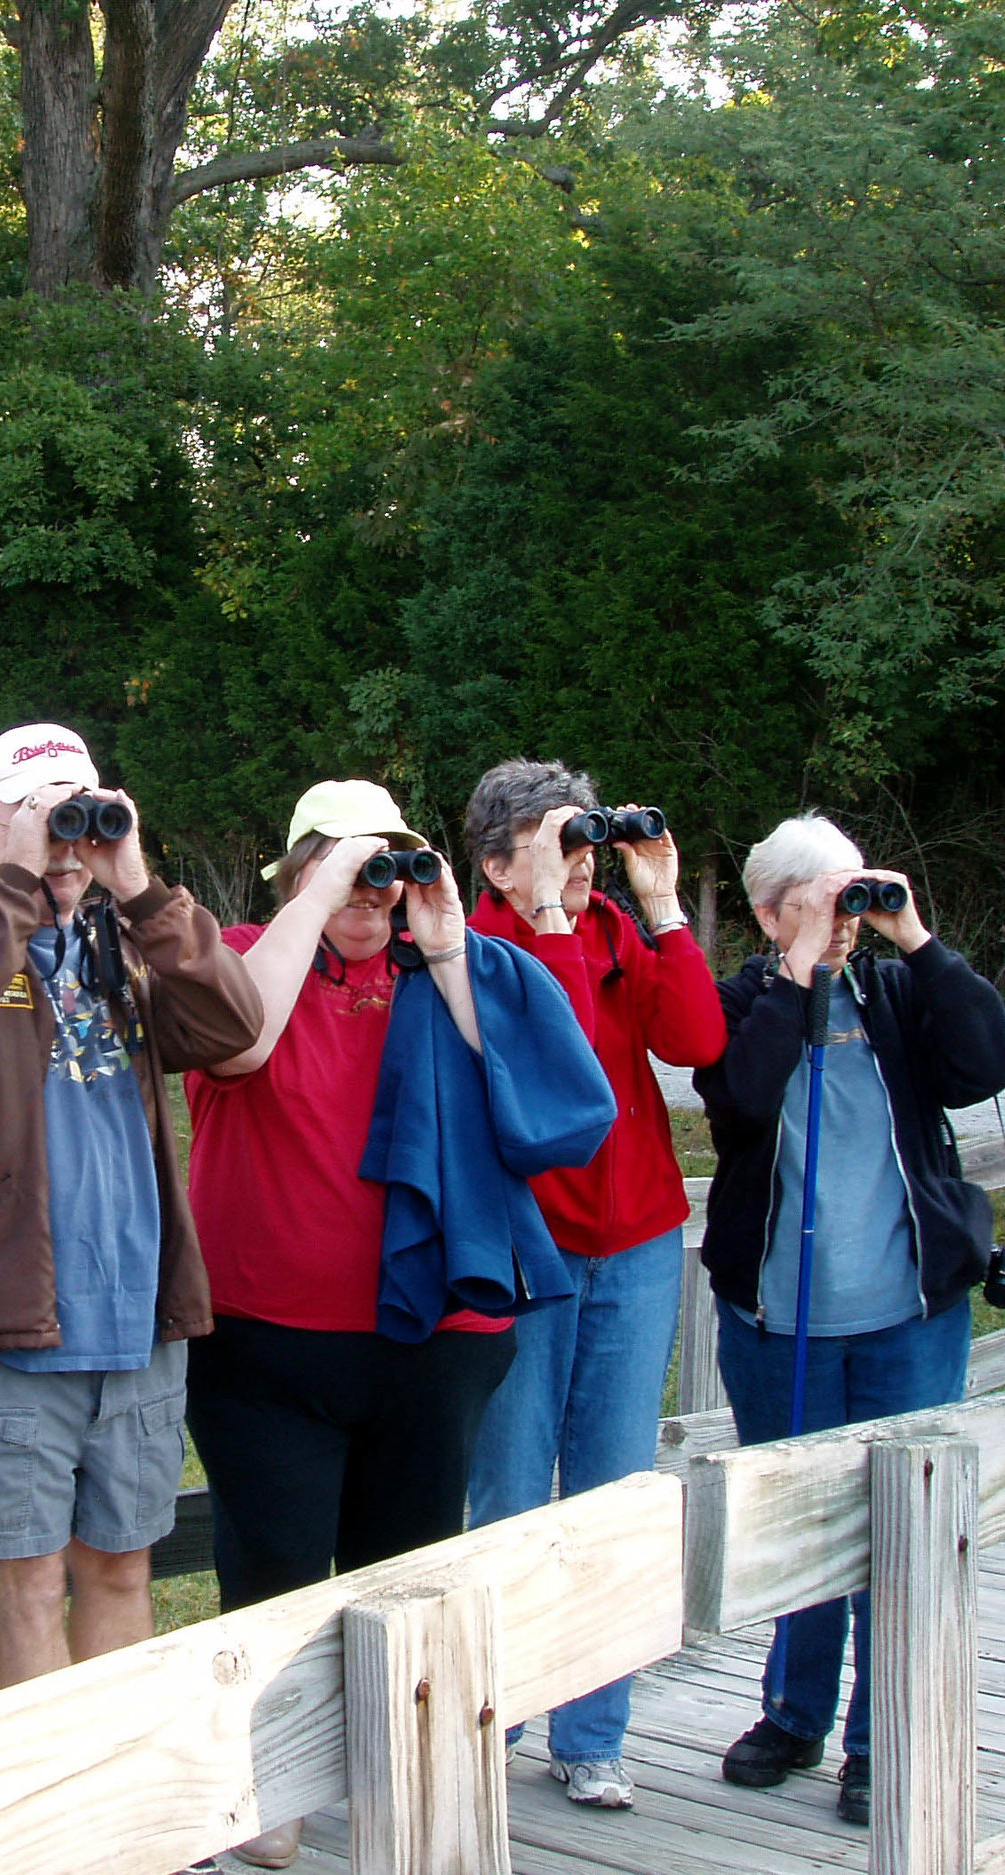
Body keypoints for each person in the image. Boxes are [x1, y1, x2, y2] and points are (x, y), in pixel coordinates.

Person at [184, 779, 611, 1871]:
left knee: (402, 1576)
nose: (371, 890)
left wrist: (448, 943)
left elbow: (543, 1097)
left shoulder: (464, 974)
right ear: (292, 873)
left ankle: (385, 1772)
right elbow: (235, 1041)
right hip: (265, 1336)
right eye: (341, 866)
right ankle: (270, 1782)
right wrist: (321, 886)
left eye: (389, 865)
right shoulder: (241, 954)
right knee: (272, 1569)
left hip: (433, 1343)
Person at [0, 723, 262, 1708]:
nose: (66, 838)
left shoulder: (130, 942)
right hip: (7, 1324)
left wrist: (137, 882)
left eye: (79, 809)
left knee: (122, 1569)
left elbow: (233, 1028)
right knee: (22, 1582)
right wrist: (16, 891)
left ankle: (119, 1817)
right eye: (37, 814)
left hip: (133, 1323)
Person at [698, 813, 1005, 1826]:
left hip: (906, 1316)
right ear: (767, 910)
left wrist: (916, 938)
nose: (847, 916)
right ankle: (795, 1714)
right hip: (776, 1322)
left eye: (857, 893)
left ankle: (879, 1741)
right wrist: (796, 975)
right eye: (824, 898)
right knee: (799, 1529)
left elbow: (988, 1063)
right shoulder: (740, 1002)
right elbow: (740, 1100)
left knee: (901, 1529)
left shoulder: (895, 991)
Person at [461, 759, 726, 1810]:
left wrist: (658, 907)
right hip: (529, 1246)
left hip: (635, 1237)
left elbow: (696, 1041)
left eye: (587, 843)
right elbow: (563, 1057)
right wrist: (549, 922)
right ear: (498, 857)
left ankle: (592, 1731)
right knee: (514, 1492)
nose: (583, 865)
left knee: (615, 1492)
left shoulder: (614, 925)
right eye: (560, 844)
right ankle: (499, 1710)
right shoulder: (468, 939)